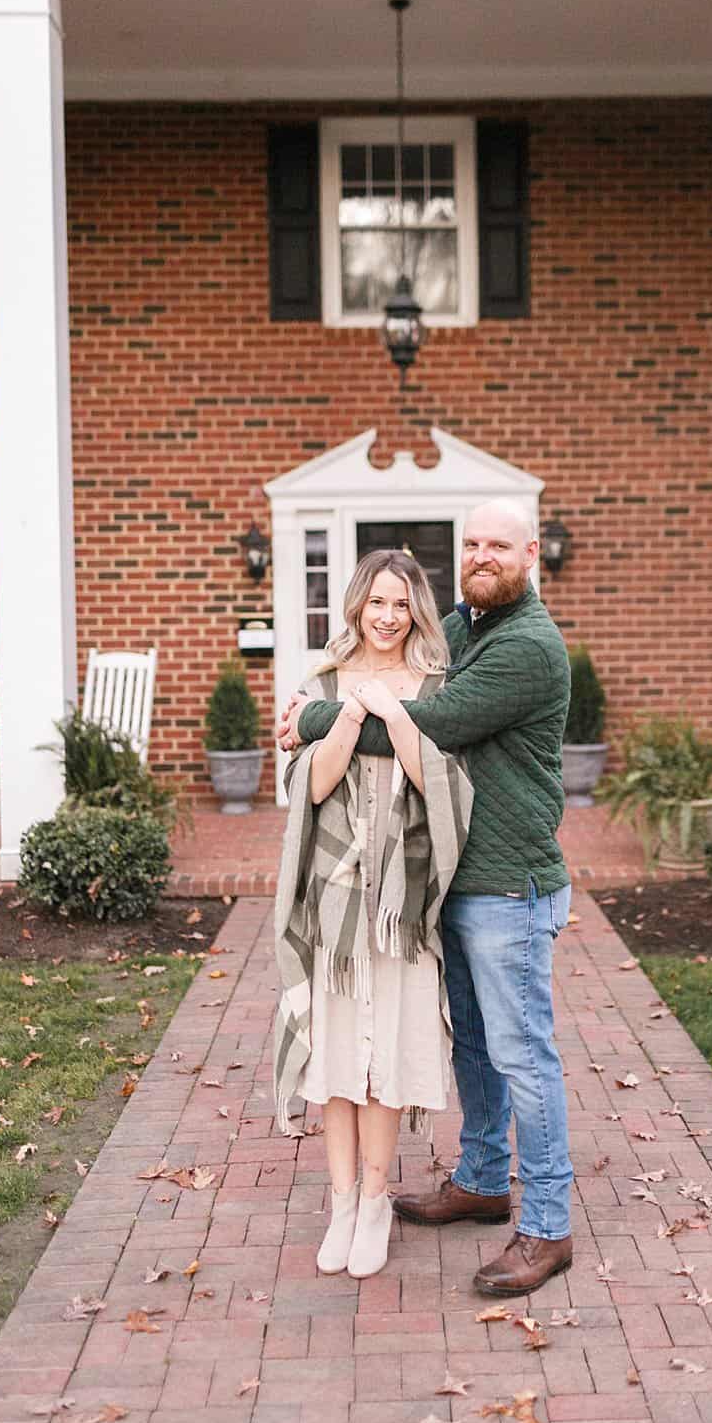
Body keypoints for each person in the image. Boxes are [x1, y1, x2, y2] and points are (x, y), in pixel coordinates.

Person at [279, 500, 575, 1296]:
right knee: (475, 1047)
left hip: (508, 882)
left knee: (523, 1056)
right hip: (456, 883)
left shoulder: (528, 648)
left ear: (531, 552)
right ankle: (482, 1179)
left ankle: (547, 1226)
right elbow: (393, 659)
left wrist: (309, 716)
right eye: (472, 543)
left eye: (499, 545)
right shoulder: (469, 626)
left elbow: (432, 719)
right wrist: (339, 702)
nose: (482, 555)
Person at [273, 549, 473, 1282]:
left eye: (401, 605)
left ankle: (379, 1198)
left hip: (403, 900)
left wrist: (398, 712)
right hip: (333, 895)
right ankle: (342, 1203)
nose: (387, 618)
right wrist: (354, 712)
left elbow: (445, 784)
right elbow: (310, 786)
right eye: (376, 603)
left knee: (385, 1048)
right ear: (356, 605)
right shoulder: (321, 682)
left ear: (416, 610)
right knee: (334, 1056)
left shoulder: (437, 686)